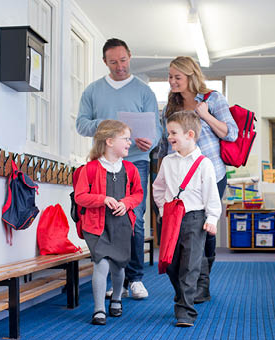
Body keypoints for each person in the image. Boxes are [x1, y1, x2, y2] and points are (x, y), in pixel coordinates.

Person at [76, 38, 162, 299]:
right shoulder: (92, 91)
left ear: (130, 56)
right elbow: (81, 125)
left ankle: (134, 279)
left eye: (123, 60)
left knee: (133, 221)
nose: (120, 66)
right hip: (103, 163)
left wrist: (151, 141)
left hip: (136, 161)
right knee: (107, 221)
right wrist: (107, 126)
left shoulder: (144, 91)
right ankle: (117, 278)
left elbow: (156, 130)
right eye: (113, 62)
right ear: (105, 62)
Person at [158, 56, 238, 303]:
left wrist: (205, 116)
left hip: (210, 170)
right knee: (182, 234)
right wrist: (161, 170)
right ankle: (189, 283)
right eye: (170, 77)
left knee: (206, 230)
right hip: (179, 179)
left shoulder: (212, 99)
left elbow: (231, 134)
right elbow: (165, 142)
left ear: (191, 77)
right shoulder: (170, 107)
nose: (172, 81)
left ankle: (201, 281)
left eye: (177, 77)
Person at [152, 111, 221, 327]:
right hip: (171, 218)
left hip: (195, 218)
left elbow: (211, 193)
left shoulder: (203, 163)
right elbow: (158, 188)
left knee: (190, 265)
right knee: (171, 263)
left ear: (189, 134)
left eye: (173, 133)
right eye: (168, 132)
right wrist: (163, 211)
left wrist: (212, 218)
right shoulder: (167, 161)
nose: (169, 137)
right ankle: (183, 293)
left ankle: (185, 311)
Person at [74, 120, 144, 325]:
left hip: (121, 225)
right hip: (96, 226)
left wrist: (127, 203)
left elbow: (138, 194)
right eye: (126, 139)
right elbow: (80, 196)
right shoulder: (90, 169)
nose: (130, 143)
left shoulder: (130, 169)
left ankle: (116, 298)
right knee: (101, 263)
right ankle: (98, 310)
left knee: (119, 266)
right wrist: (102, 199)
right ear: (110, 141)